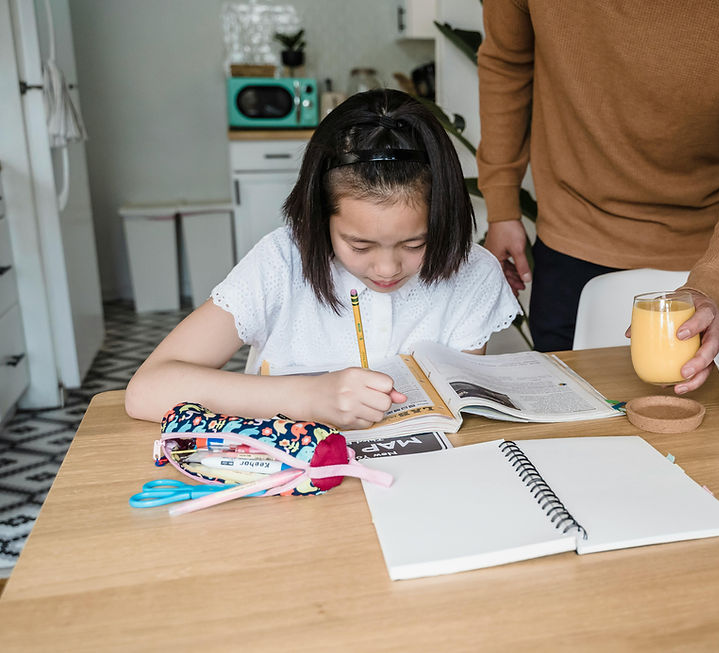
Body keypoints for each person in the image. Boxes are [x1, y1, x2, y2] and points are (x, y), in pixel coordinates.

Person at [477, 0, 719, 394]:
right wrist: (501, 207)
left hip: (708, 255)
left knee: (696, 442)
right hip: (570, 234)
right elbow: (507, 64)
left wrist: (715, 284)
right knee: (568, 433)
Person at [126, 89, 520, 429]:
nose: (387, 268)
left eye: (416, 244)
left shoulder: (473, 273)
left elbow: (456, 413)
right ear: (319, 219)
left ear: (444, 219)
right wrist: (309, 396)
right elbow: (147, 390)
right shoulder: (282, 263)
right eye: (360, 246)